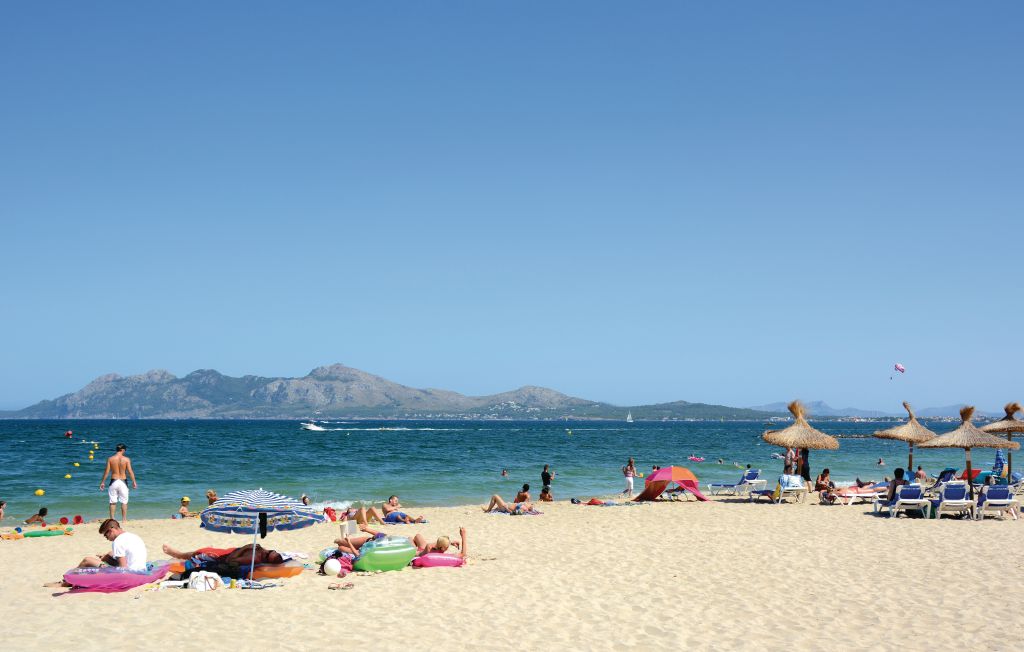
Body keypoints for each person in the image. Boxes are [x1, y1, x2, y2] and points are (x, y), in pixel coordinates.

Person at [162, 542, 287, 575]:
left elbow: (230, 560)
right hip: (230, 550)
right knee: (205, 550)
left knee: (199, 552)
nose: (267, 551)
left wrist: (246, 547)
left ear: (265, 559)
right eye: (271, 550)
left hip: (223, 556)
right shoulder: (263, 552)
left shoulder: (253, 558)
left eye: (267, 554)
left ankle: (178, 554)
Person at [83, 518, 148, 571]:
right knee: (109, 554)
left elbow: (123, 569)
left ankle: (76, 579)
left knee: (87, 560)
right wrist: (107, 559)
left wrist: (103, 566)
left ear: (111, 530)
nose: (106, 538)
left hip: (131, 575)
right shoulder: (134, 536)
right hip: (141, 570)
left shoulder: (118, 541)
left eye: (105, 535)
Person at [99, 443, 137, 521]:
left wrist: (103, 482)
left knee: (112, 502)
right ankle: (124, 519)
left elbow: (107, 472)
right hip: (123, 482)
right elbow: (130, 471)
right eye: (125, 450)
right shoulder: (126, 459)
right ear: (122, 450)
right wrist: (134, 481)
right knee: (124, 502)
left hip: (114, 481)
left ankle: (112, 519)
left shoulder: (110, 459)